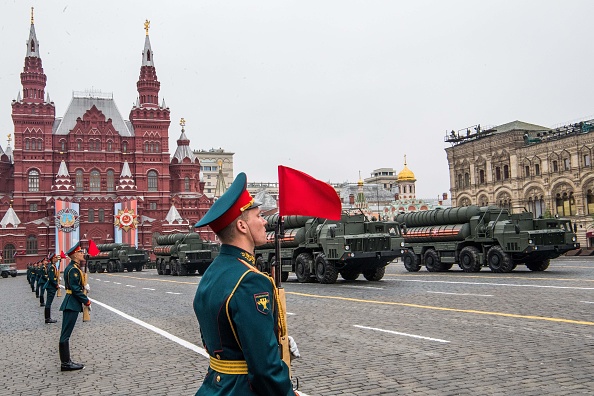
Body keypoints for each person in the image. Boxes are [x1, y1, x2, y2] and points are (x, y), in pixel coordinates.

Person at [194, 172, 300, 396]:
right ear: (242, 226)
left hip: (215, 386)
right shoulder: (251, 281)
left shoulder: (211, 273)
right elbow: (264, 370)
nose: (264, 222)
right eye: (259, 216)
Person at [58, 242, 91, 371]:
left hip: (71, 303)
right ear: (75, 255)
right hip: (71, 304)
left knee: (65, 334)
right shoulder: (73, 269)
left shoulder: (74, 268)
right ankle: (65, 363)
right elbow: (75, 290)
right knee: (65, 335)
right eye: (81, 252)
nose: (83, 254)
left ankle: (66, 361)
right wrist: (86, 301)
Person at [43, 252, 61, 324]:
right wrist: (56, 285)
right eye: (56, 257)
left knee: (49, 302)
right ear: (53, 258)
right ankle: (47, 318)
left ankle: (48, 318)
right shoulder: (52, 267)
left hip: (51, 286)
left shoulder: (52, 266)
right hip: (51, 287)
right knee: (48, 303)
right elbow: (51, 278)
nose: (57, 258)